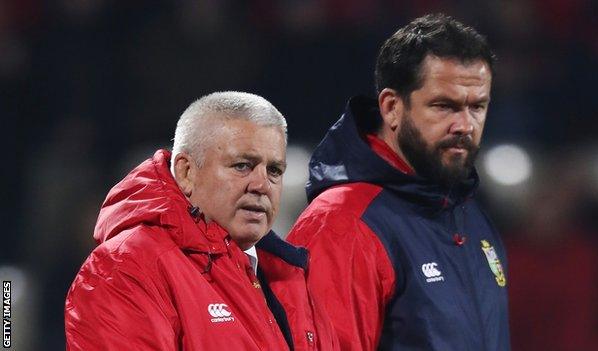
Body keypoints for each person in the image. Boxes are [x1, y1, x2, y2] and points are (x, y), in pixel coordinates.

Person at [287, 14, 510, 350]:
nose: (465, 125)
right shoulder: (342, 224)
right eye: (444, 106)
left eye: (477, 106)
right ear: (392, 107)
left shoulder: (467, 212)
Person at [65, 92, 337, 350]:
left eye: (274, 170)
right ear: (186, 172)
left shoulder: (291, 274)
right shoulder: (126, 267)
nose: (262, 184)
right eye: (242, 166)